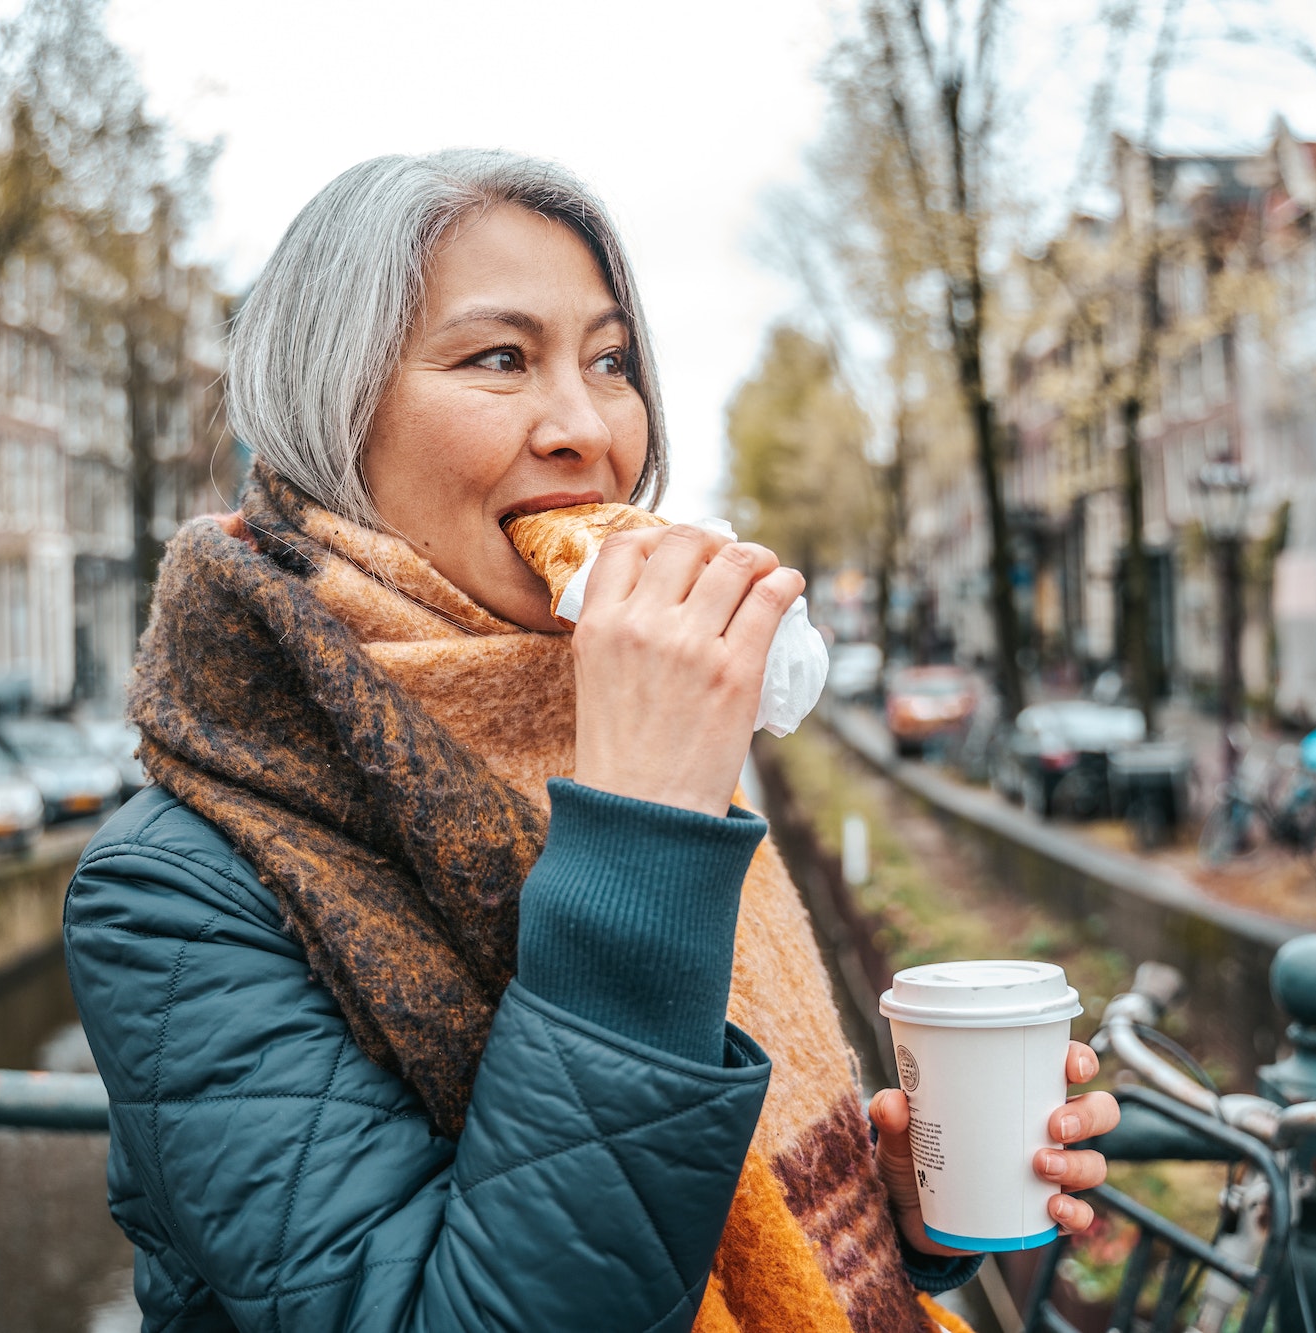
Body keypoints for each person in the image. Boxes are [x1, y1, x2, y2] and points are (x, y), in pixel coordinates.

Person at [64, 149, 1117, 1333]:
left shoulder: (609, 717)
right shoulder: (171, 891)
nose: (585, 428)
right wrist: (641, 831)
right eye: (498, 358)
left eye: (609, 362)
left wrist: (880, 1214)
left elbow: (682, 1220)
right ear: (331, 413)